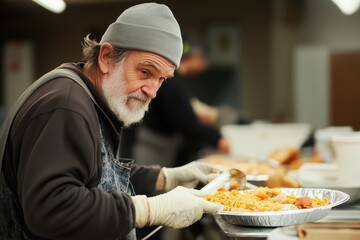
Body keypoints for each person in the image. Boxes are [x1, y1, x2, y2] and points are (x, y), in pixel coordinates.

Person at [0, 3, 223, 240]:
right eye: (145, 72)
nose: (152, 92)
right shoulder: (65, 106)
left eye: (162, 80)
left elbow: (97, 175)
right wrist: (147, 210)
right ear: (106, 57)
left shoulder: (89, 96)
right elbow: (51, 208)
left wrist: (167, 178)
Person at [122, 37, 230, 170]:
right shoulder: (172, 80)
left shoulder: (177, 80)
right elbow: (185, 121)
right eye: (204, 61)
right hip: (153, 145)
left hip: (159, 143)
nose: (204, 67)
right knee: (149, 185)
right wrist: (216, 138)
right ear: (196, 58)